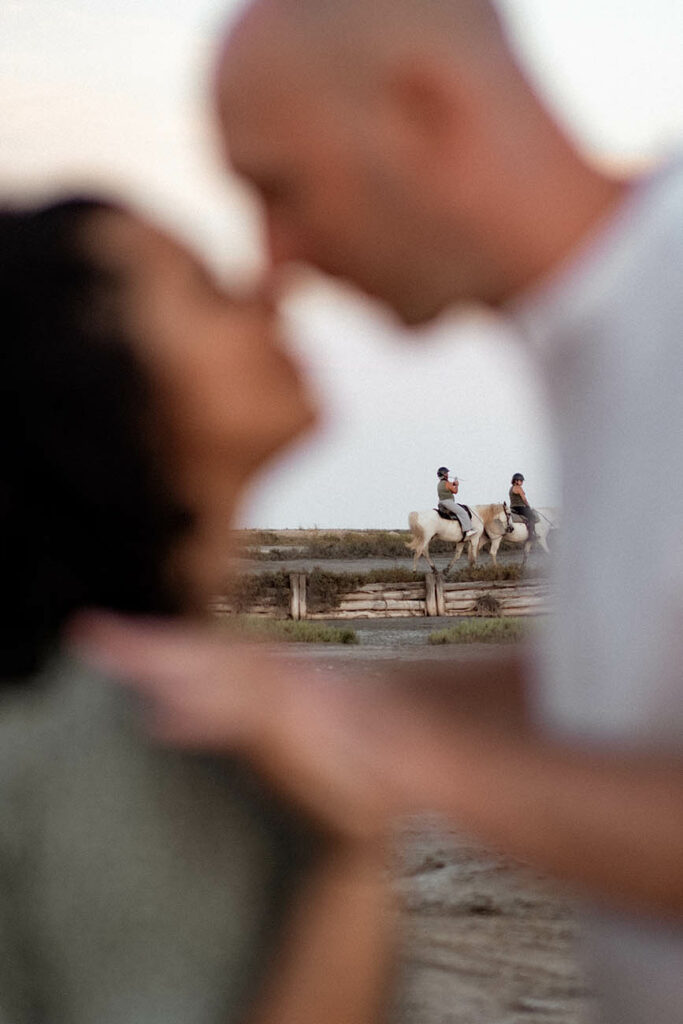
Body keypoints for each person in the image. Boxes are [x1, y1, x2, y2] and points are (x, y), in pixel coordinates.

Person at [75, 3, 683, 1022]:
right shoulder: (605, 336)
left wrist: (389, 751)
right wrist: (298, 696)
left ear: (420, 112)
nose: (273, 262)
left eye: (281, 189)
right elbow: (629, 671)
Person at [0, 198, 394, 1024]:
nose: (270, 297)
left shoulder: (181, 678)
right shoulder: (125, 718)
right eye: (207, 289)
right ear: (94, 375)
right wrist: (355, 857)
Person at [436, 466, 475, 537]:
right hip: (448, 502)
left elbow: (449, 485)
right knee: (463, 512)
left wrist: (454, 483)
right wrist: (457, 485)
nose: (447, 474)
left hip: (441, 502)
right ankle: (468, 531)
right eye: (446, 473)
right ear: (444, 474)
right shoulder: (447, 483)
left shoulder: (440, 484)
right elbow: (455, 491)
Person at [508, 473, 538, 540]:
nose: (522, 482)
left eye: (522, 481)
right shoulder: (518, 488)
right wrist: (528, 506)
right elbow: (524, 499)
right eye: (521, 481)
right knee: (532, 516)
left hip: (513, 508)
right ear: (516, 481)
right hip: (520, 507)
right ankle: (531, 535)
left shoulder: (511, 488)